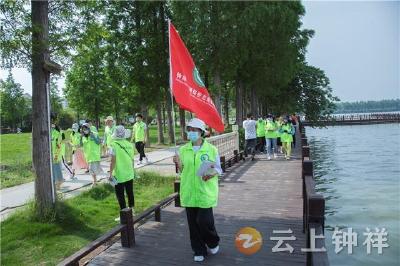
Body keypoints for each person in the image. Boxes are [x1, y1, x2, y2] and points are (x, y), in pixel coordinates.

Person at [173, 118, 222, 262]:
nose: (191, 133)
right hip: (189, 191)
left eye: (194, 130)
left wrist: (210, 174)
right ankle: (198, 250)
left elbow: (218, 168)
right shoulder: (183, 149)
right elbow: (183, 171)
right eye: (189, 130)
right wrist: (178, 163)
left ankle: (213, 241)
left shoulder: (212, 149)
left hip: (205, 191)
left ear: (201, 132)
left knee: (204, 221)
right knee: (193, 225)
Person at [109, 125, 135, 220]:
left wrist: (110, 173)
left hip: (119, 174)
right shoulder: (129, 144)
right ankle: (132, 210)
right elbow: (132, 159)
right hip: (129, 172)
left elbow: (113, 160)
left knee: (120, 194)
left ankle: (124, 215)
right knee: (130, 192)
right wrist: (132, 170)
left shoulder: (113, 144)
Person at [51, 119, 64, 190]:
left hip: (55, 156)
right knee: (52, 170)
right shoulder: (48, 133)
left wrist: (56, 155)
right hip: (49, 156)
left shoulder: (57, 133)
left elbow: (58, 146)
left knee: (56, 170)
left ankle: (58, 184)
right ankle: (55, 184)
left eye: (52, 124)